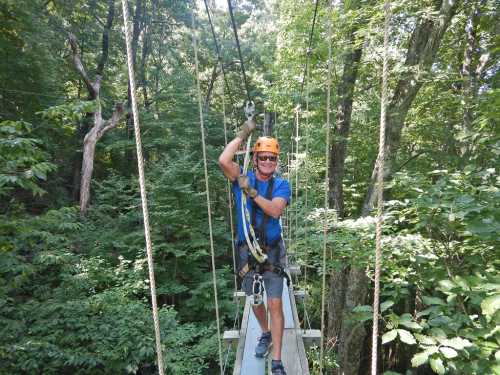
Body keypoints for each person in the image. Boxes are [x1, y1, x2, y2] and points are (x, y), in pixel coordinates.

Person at [218, 119, 291, 375]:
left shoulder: (281, 185)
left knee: (275, 304)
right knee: (255, 300)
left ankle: (278, 360)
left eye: (272, 158)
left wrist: (251, 193)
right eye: (263, 157)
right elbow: (223, 160)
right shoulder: (242, 176)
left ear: (276, 161)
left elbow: (275, 209)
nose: (268, 162)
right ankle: (266, 333)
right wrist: (243, 133)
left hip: (272, 249)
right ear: (256, 158)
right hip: (246, 250)